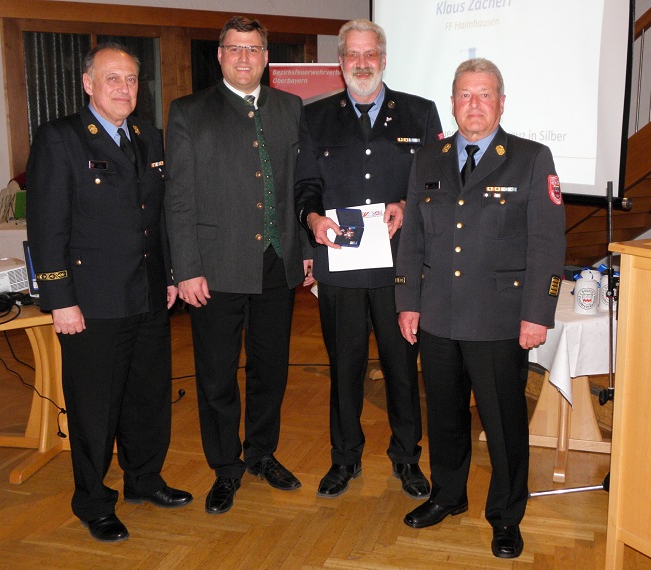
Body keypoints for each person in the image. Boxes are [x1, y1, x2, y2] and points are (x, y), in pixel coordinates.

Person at [395, 58, 566, 559]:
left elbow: (547, 244)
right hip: (438, 315)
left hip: (499, 319)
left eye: (485, 94)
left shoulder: (531, 158)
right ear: (452, 103)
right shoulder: (429, 158)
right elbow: (413, 240)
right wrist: (407, 302)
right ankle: (448, 495)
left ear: (501, 102)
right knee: (445, 417)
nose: (474, 104)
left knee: (503, 423)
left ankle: (507, 516)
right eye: (465, 95)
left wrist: (538, 312)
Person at [26, 43, 192, 543]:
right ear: (88, 84)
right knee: (95, 408)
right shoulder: (61, 138)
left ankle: (144, 480)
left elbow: (157, 216)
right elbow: (47, 226)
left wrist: (168, 276)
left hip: (147, 294)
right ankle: (93, 501)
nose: (124, 88)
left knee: (148, 398)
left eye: (131, 80)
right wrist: (60, 299)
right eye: (112, 78)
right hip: (91, 302)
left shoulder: (147, 136)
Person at [164, 16, 312, 516]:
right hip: (214, 268)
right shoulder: (188, 112)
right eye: (235, 48)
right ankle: (226, 468)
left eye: (253, 49)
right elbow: (179, 199)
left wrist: (305, 250)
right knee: (217, 375)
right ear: (220, 55)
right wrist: (186, 268)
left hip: (276, 262)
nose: (244, 57)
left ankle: (262, 454)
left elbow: (298, 187)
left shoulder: (290, 107)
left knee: (271, 368)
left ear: (266, 57)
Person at [295, 19, 442, 500]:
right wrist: (312, 219)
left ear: (383, 59)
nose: (362, 64)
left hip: (400, 266)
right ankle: (345, 458)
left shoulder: (419, 113)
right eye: (353, 55)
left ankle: (407, 458)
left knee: (402, 367)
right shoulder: (314, 117)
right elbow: (305, 185)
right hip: (339, 265)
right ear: (340, 62)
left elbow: (436, 184)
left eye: (370, 54)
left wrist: (406, 204)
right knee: (345, 368)